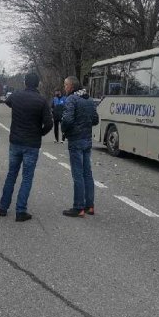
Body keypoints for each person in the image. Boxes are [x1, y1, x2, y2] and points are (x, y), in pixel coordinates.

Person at [0, 73, 53, 222]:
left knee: (11, 174)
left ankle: (3, 207)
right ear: (38, 84)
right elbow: (49, 123)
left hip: (15, 141)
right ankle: (20, 210)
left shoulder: (16, 95)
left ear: (25, 82)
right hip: (32, 143)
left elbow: (8, 102)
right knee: (27, 178)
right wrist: (39, 133)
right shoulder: (41, 101)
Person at [61, 76, 99, 217]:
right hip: (87, 140)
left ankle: (78, 207)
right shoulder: (88, 99)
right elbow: (95, 120)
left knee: (78, 175)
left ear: (71, 86)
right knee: (87, 173)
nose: (64, 87)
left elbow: (68, 119)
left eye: (65, 85)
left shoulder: (71, 99)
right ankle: (90, 206)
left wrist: (64, 129)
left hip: (76, 140)